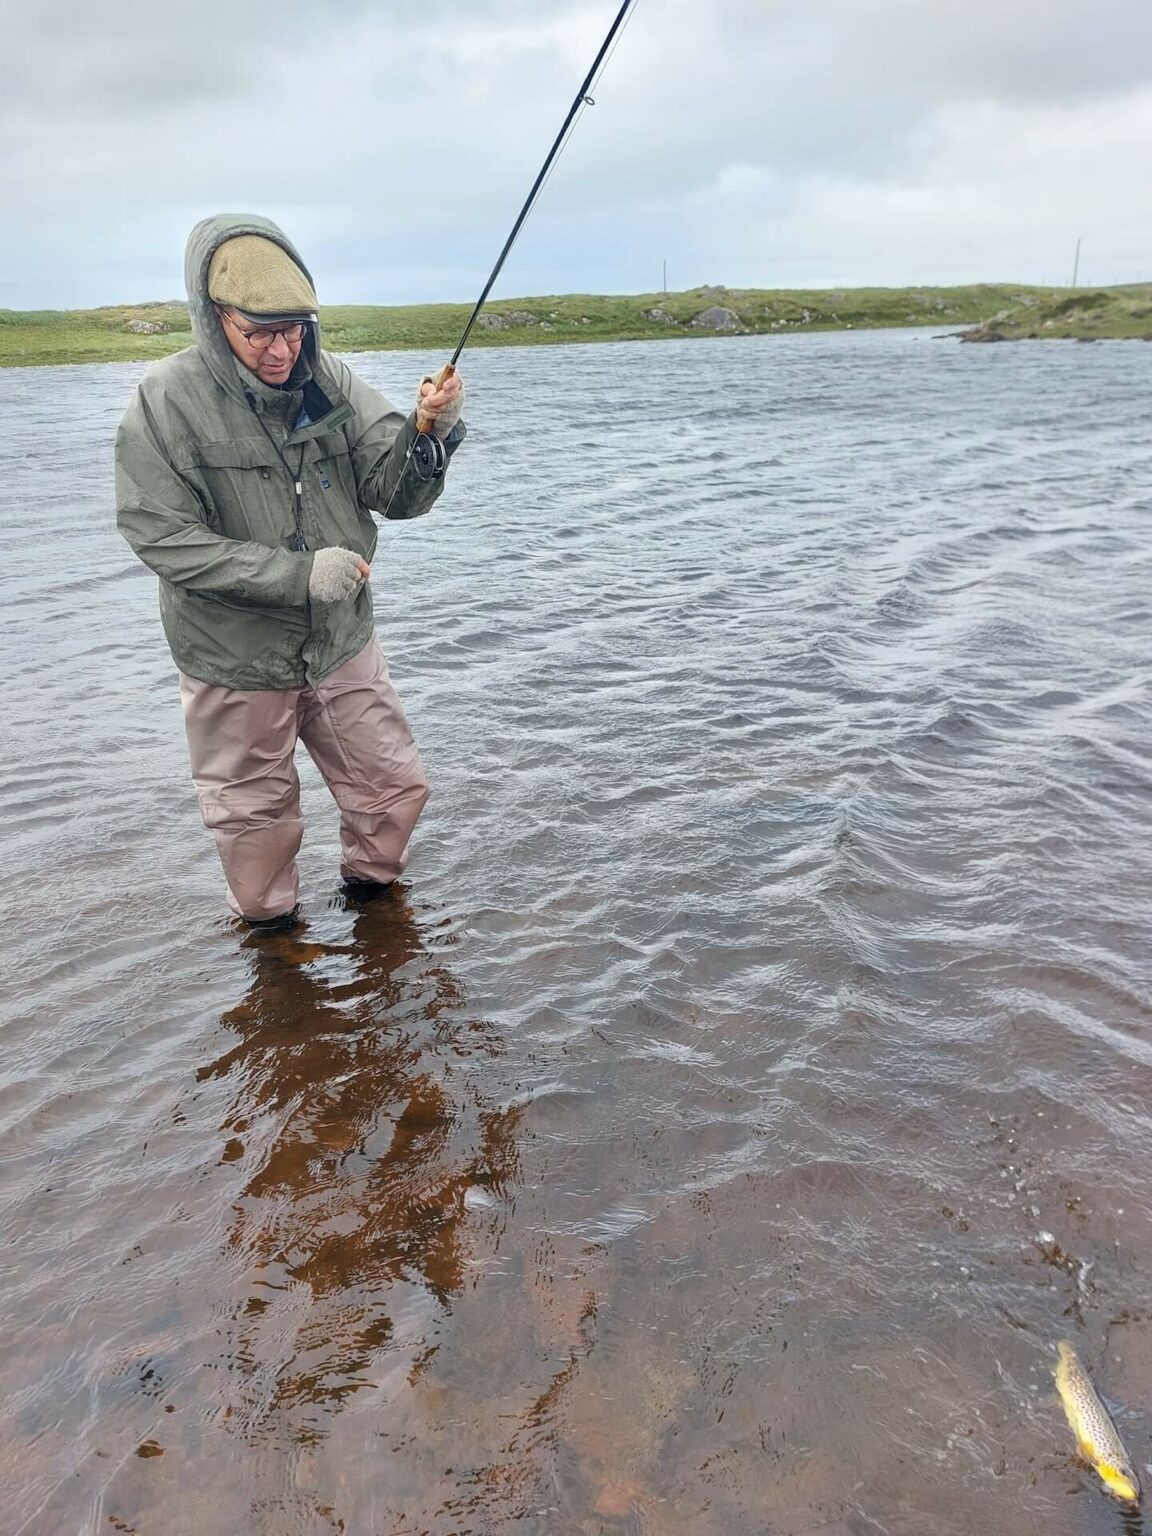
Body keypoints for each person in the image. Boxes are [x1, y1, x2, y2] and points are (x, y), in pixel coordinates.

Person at [115, 214, 465, 933]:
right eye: (260, 333)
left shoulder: (330, 383)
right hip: (232, 659)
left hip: (340, 643)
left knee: (393, 792)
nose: (280, 351)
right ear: (218, 320)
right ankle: (275, 959)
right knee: (256, 831)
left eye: (293, 331)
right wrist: (297, 576)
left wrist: (429, 432)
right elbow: (159, 536)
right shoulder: (165, 400)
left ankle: (377, 922)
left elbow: (394, 494)